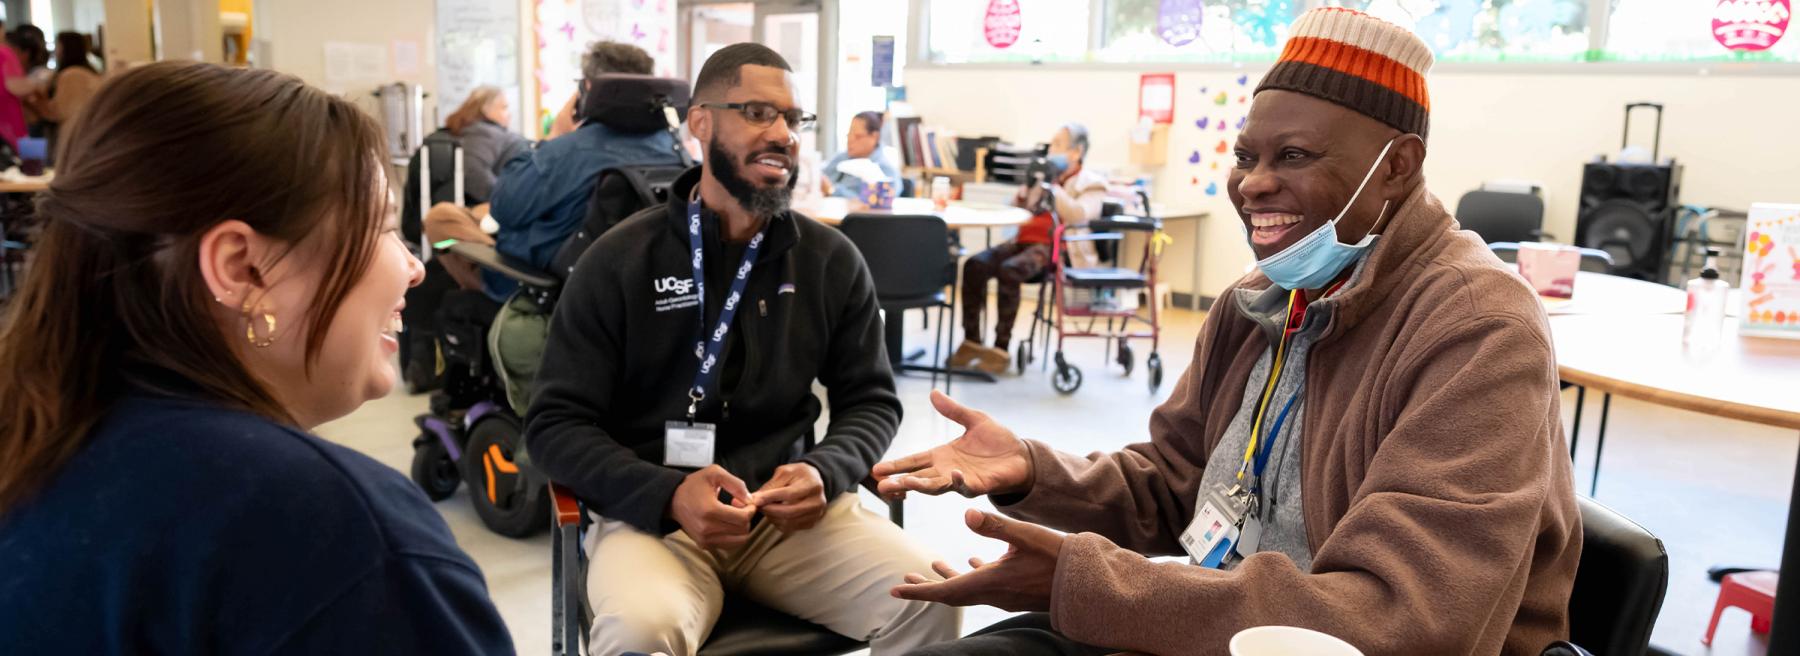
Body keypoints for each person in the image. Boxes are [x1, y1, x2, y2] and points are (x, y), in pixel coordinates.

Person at [876, 9, 1580, 655]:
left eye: (1294, 156)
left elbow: (1405, 617)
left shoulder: (1478, 327)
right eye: (1247, 158)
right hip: (1220, 622)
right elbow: (1174, 484)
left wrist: (1091, 585)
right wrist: (1033, 467)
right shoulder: (1263, 300)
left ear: (1396, 167)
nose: (1253, 185)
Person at [0, 62, 514, 654]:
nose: (413, 266)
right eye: (379, 228)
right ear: (242, 268)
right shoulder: (329, 532)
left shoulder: (44, 439)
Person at [526, 43, 959, 656]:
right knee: (638, 635)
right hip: (653, 520)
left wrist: (823, 469)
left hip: (788, 521)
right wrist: (666, 493)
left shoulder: (829, 261)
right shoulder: (618, 261)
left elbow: (871, 401)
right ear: (700, 122)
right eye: (757, 112)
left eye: (793, 119)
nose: (782, 133)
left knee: (932, 600)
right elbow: (552, 425)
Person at [478, 40, 685, 300]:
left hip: (547, 291)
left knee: (445, 220)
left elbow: (504, 207)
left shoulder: (569, 151)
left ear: (586, 88)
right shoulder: (676, 150)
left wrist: (555, 135)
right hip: (644, 289)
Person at [948, 123, 1107, 374]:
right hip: (1022, 241)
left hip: (1055, 248)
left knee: (1010, 270)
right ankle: (972, 342)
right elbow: (1019, 208)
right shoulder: (1041, 176)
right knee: (975, 265)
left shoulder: (1092, 184)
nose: (1050, 150)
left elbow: (1078, 215)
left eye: (1057, 145)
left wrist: (1052, 186)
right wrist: (1027, 188)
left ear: (1076, 152)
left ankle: (1001, 348)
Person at [418, 85, 530, 291]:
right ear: (485, 110)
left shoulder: (474, 133)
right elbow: (474, 172)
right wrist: (505, 199)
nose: (509, 113)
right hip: (495, 208)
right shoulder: (485, 134)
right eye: (503, 107)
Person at [24, 32, 103, 160]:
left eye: (58, 45)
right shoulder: (84, 72)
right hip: (81, 138)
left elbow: (60, 112)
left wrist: (34, 101)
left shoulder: (73, 75)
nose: (55, 50)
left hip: (74, 140)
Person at [821, 110, 899, 201]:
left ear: (874, 137)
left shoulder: (885, 171)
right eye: (849, 135)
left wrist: (832, 190)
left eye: (857, 136)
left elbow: (872, 201)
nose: (850, 141)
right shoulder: (841, 158)